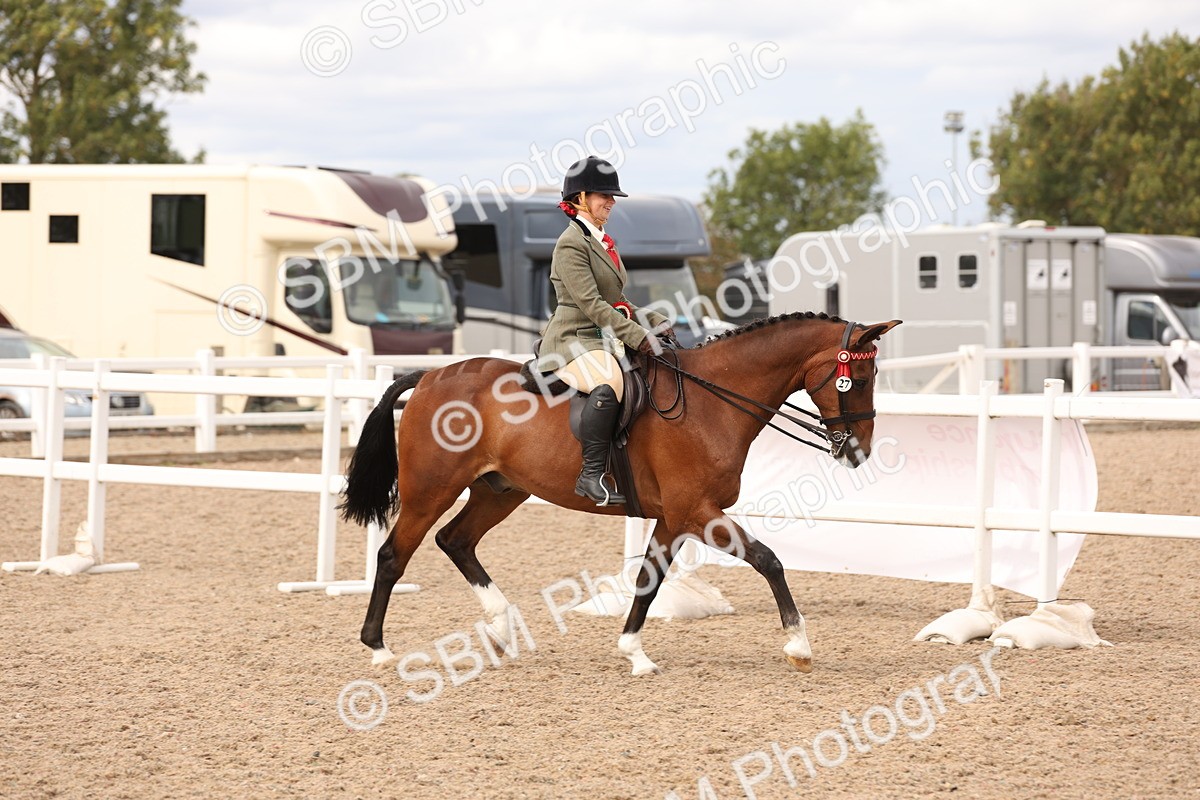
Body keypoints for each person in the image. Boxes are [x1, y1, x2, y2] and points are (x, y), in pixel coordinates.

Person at [535, 155, 673, 506]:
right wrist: (638, 336)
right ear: (580, 198)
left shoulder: (601, 240)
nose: (610, 201)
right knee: (609, 380)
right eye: (603, 195)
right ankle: (590, 474)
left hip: (599, 337)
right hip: (572, 338)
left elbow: (617, 300)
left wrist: (656, 321)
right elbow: (592, 305)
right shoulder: (571, 243)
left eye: (612, 196)